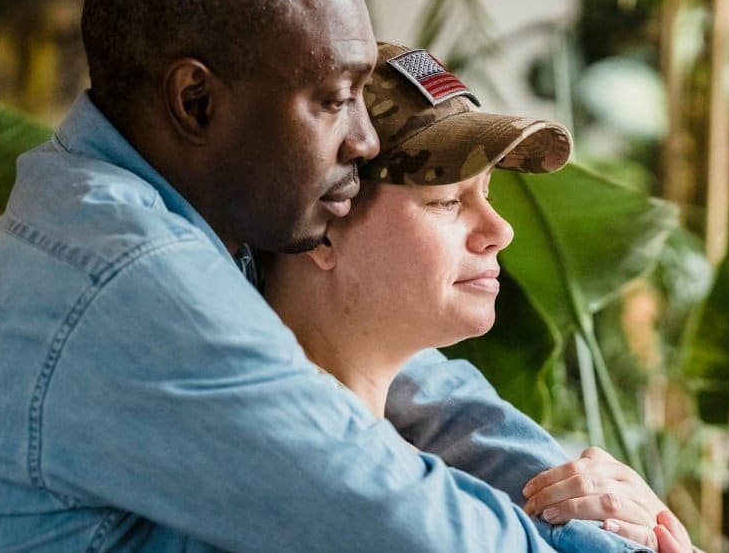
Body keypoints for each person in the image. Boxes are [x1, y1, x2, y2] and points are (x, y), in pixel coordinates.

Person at [0, 0, 665, 552]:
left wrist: (599, 503)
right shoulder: (136, 276)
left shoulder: (182, 220)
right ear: (197, 101)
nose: (364, 140)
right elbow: (393, 514)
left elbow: (422, 390)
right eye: (332, 99)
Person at [263, 42, 694, 553]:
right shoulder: (309, 482)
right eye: (446, 201)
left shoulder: (422, 430)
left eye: (486, 193)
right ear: (322, 227)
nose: (500, 231)